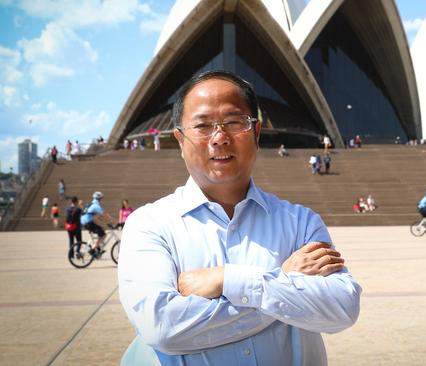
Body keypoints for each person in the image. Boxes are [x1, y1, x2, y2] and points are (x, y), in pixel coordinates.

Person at [118, 70, 361, 365]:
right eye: (202, 125)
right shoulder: (149, 225)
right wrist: (281, 283)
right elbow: (163, 328)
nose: (219, 138)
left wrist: (227, 280)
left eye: (234, 122)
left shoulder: (301, 222)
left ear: (256, 133)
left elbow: (342, 307)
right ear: (180, 141)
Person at [80, 191, 114, 256]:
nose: (102, 200)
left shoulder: (91, 204)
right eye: (101, 199)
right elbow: (104, 215)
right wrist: (112, 221)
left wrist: (105, 223)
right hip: (88, 222)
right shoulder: (96, 206)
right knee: (103, 235)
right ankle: (92, 250)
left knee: (101, 230)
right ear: (99, 199)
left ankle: (97, 248)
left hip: (85, 221)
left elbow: (99, 217)